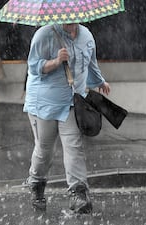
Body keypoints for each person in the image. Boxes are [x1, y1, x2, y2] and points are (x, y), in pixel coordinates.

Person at [23, 23, 110, 213]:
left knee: (73, 145)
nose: (71, 22)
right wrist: (55, 61)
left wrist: (100, 81)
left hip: (71, 101)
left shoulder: (86, 35)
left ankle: (78, 193)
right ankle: (36, 184)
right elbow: (33, 66)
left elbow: (90, 62)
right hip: (43, 102)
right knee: (45, 149)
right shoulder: (43, 35)